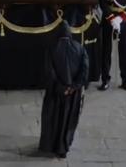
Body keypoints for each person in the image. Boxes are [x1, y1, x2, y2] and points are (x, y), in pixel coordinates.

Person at [38, 22, 88, 159]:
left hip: (55, 92)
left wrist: (61, 88)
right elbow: (84, 72)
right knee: (68, 120)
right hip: (73, 94)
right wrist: (73, 87)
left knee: (53, 119)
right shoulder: (80, 48)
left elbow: (49, 72)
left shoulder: (52, 48)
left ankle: (50, 145)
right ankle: (63, 148)